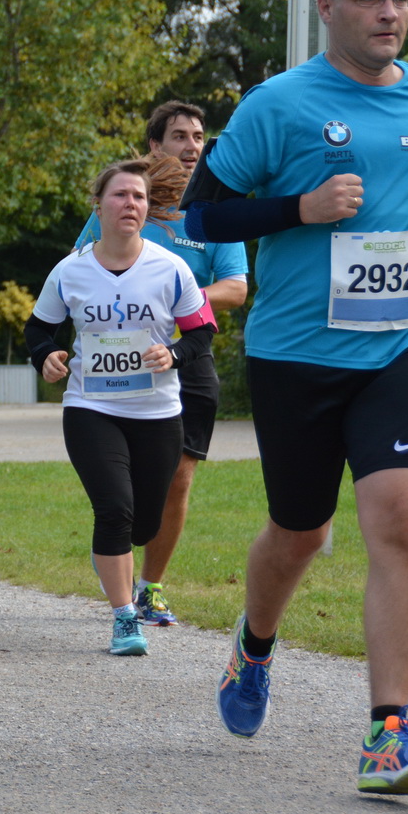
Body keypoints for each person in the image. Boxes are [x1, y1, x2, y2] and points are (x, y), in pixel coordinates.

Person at [182, 0, 408, 795]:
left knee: (400, 515)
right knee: (302, 528)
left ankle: (391, 730)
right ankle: (253, 644)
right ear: (327, 6)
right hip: (298, 349)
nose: (391, 14)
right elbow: (202, 219)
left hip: (406, 338)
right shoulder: (279, 104)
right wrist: (299, 209)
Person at [27, 156, 216, 656]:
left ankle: (114, 558)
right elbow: (38, 328)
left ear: (148, 208)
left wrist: (172, 353)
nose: (130, 203)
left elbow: (202, 333)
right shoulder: (70, 271)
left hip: (157, 411)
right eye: (120, 195)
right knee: (115, 509)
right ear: (100, 205)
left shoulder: (171, 267)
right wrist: (46, 356)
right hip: (91, 406)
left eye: (139, 196)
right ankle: (123, 617)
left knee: (145, 524)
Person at [72, 101, 249, 624]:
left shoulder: (215, 210)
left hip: (187, 358)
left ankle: (150, 586)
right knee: (118, 481)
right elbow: (77, 270)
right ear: (154, 147)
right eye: (179, 136)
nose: (192, 146)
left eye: (199, 136)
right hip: (115, 357)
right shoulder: (120, 204)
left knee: (177, 479)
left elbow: (237, 288)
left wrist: (176, 299)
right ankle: (116, 554)